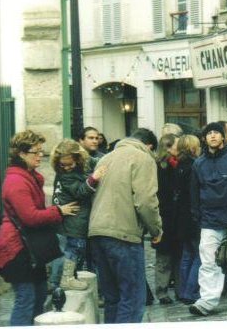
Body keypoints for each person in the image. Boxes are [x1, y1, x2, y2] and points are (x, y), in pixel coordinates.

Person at [0, 130, 80, 326]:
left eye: (41, 151)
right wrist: (58, 211)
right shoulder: (17, 181)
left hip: (29, 248)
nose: (40, 156)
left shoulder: (29, 177)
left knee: (40, 294)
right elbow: (31, 217)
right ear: (21, 154)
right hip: (16, 249)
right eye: (35, 152)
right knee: (26, 299)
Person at [88, 128, 163, 324]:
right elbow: (146, 201)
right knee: (132, 298)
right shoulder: (143, 158)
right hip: (123, 234)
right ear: (149, 146)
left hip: (97, 232)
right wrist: (156, 229)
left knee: (112, 298)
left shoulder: (105, 158)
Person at [188, 122, 227, 316]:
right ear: (204, 138)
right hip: (209, 220)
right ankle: (207, 301)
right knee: (208, 261)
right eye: (209, 133)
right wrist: (197, 215)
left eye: (217, 133)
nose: (213, 136)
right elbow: (194, 192)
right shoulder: (198, 163)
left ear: (223, 137)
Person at [50, 140, 107, 291]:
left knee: (74, 250)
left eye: (70, 164)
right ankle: (67, 279)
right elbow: (81, 191)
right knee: (73, 250)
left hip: (74, 221)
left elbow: (96, 161)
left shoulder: (81, 167)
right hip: (73, 222)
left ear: (78, 159)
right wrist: (94, 178)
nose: (67, 168)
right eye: (63, 165)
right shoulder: (66, 176)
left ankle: (67, 278)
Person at [175, 135, 202, 304]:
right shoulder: (194, 165)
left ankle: (183, 289)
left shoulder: (179, 165)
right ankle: (190, 291)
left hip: (182, 216)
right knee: (199, 255)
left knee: (187, 255)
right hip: (192, 216)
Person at [154, 133, 181, 304]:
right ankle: (162, 291)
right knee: (164, 257)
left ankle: (180, 288)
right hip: (164, 217)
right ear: (169, 147)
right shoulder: (159, 167)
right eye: (177, 145)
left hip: (177, 217)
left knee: (179, 255)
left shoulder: (179, 165)